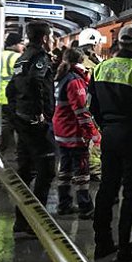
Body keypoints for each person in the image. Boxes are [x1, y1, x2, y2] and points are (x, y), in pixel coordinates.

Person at [89, 24, 132, 261]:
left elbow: (91, 106)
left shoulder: (100, 68)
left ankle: (102, 243)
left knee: (107, 189)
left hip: (110, 135)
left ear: (118, 43)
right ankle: (127, 247)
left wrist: (105, 127)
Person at [5, 21, 56, 235]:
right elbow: (37, 83)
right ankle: (38, 223)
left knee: (25, 171)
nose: (52, 41)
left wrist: (15, 111)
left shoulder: (22, 58)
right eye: (51, 37)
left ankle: (21, 220)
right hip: (36, 123)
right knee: (47, 169)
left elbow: (11, 88)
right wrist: (41, 113)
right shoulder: (40, 58)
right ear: (44, 38)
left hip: (22, 119)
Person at [53, 49, 99, 219]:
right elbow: (81, 110)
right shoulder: (74, 81)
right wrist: (92, 133)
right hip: (74, 131)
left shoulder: (61, 77)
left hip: (61, 130)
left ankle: (64, 204)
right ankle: (85, 207)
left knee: (65, 169)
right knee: (82, 171)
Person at [77, 28, 105, 181]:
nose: (101, 46)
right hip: (89, 107)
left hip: (79, 108)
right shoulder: (91, 65)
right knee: (95, 140)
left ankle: (81, 169)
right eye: (99, 43)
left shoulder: (78, 61)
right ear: (94, 45)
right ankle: (94, 170)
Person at [0, 32, 24, 153]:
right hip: (13, 95)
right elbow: (21, 76)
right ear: (15, 44)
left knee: (4, 121)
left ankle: (2, 145)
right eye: (21, 43)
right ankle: (16, 149)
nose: (22, 46)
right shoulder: (17, 58)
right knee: (17, 122)